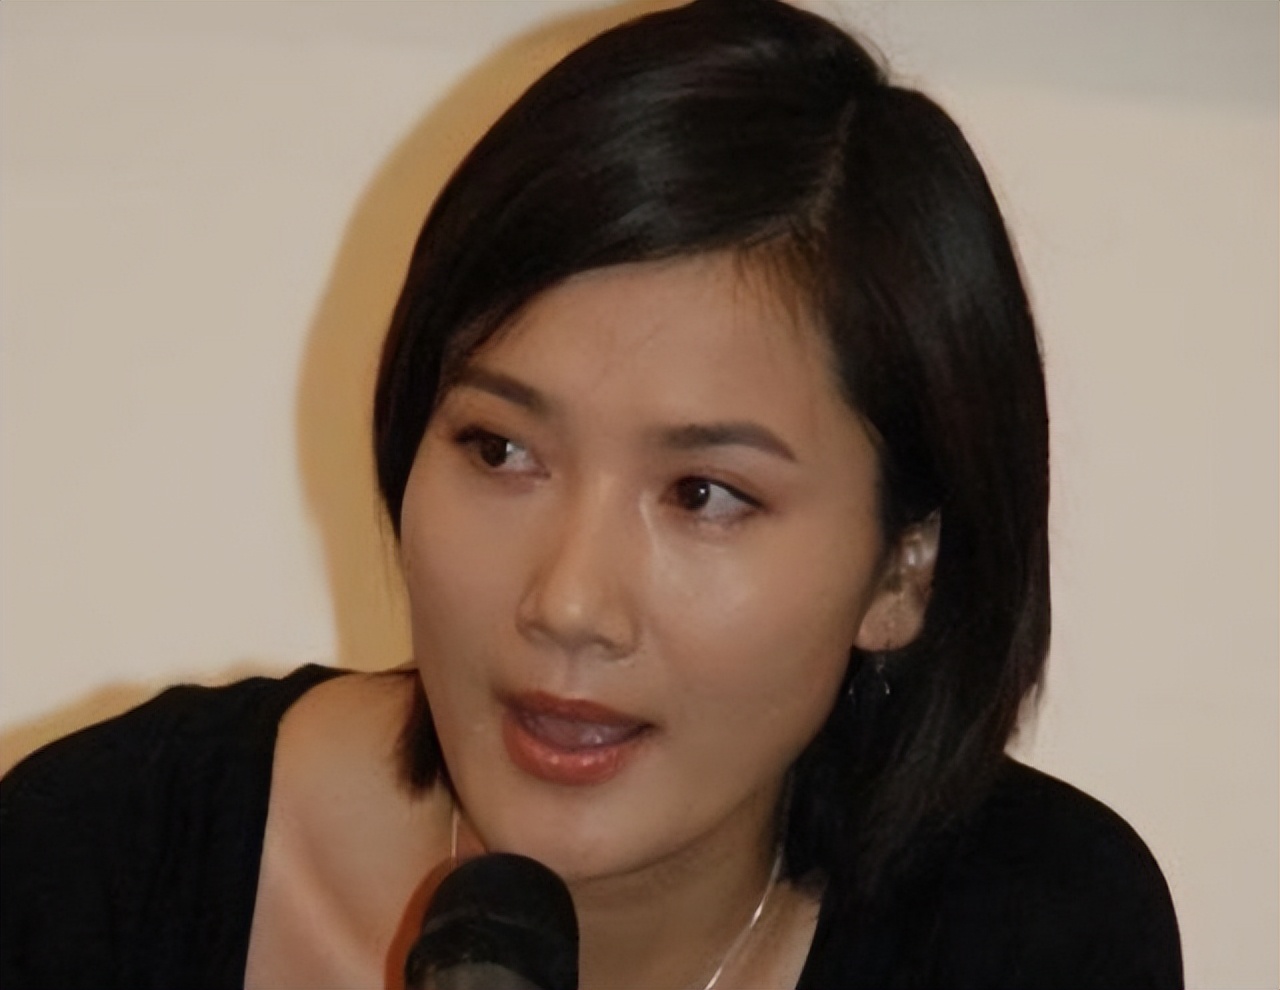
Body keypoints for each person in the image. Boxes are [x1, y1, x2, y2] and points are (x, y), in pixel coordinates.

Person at [0, 1, 1182, 987]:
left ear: (900, 570)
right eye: (499, 451)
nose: (567, 603)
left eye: (703, 494)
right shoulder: (89, 868)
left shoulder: (1030, 934)